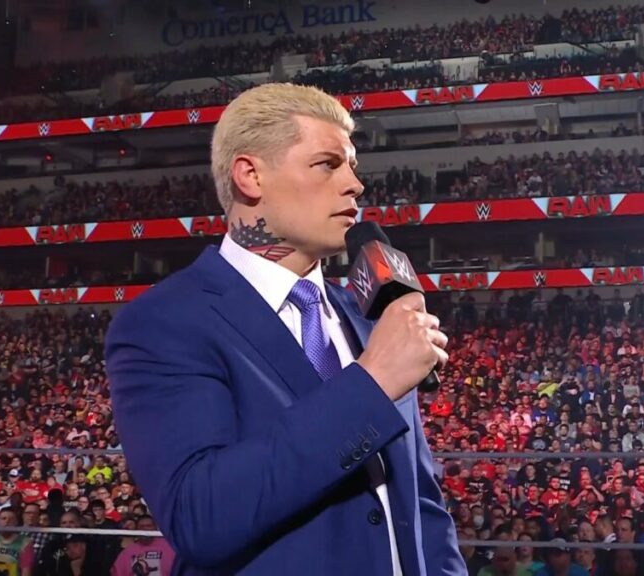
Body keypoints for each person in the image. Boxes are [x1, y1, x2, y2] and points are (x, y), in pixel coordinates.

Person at [105, 82, 462, 575]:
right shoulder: (165, 322)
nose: (356, 184)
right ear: (251, 176)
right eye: (328, 164)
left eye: (352, 165)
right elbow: (199, 516)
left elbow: (421, 505)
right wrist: (373, 382)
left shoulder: (369, 317)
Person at [110, 515, 177, 576]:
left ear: (155, 528)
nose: (145, 529)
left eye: (149, 526)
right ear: (137, 529)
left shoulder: (170, 547)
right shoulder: (128, 552)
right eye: (142, 526)